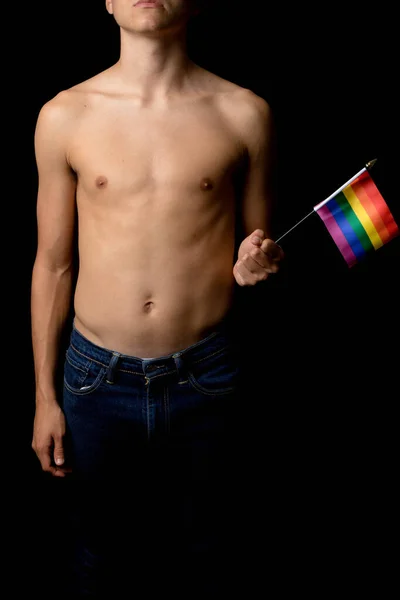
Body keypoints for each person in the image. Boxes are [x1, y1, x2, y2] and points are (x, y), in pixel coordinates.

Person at [31, 0, 284, 597]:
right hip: (95, 379)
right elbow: (53, 264)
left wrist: (260, 267)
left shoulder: (245, 113)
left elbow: (258, 251)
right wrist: (44, 397)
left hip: (209, 376)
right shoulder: (64, 115)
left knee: (210, 555)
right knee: (99, 555)